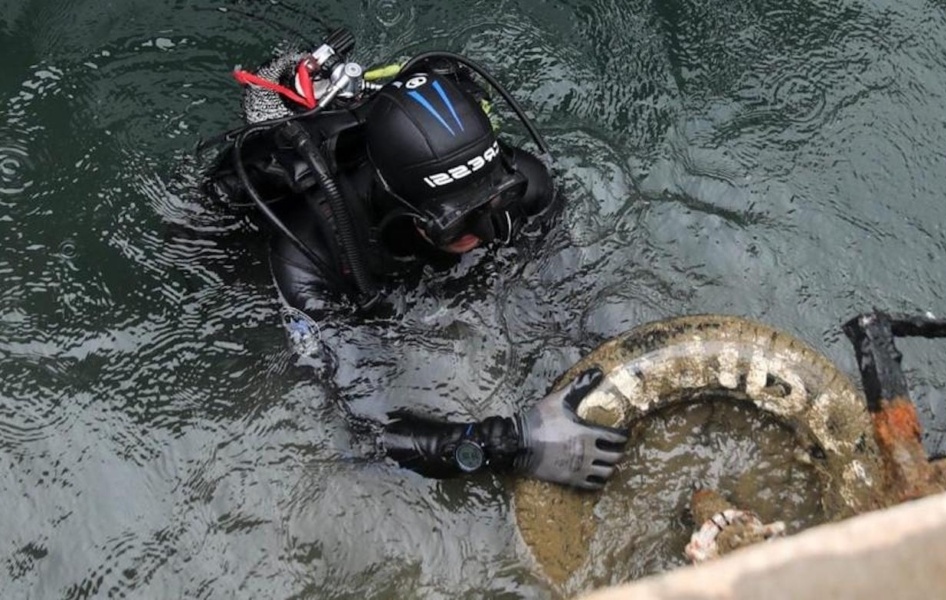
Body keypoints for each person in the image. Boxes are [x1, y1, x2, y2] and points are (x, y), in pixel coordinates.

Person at [202, 29, 627, 489]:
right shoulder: (309, 255)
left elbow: (575, 292)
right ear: (400, 207)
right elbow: (359, 429)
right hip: (245, 241)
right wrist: (499, 445)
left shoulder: (527, 183)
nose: (484, 233)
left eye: (494, 203)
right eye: (457, 223)